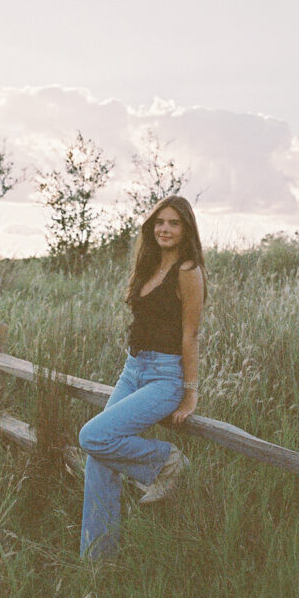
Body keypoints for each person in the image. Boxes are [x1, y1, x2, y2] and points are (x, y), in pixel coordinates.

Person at [78, 195, 206, 560]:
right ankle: (97, 563)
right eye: (160, 222)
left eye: (174, 223)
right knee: (98, 456)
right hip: (132, 369)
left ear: (186, 230)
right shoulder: (149, 265)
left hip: (165, 377)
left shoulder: (188, 271)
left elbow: (191, 335)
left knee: (92, 435)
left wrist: (190, 394)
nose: (165, 228)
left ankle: (167, 462)